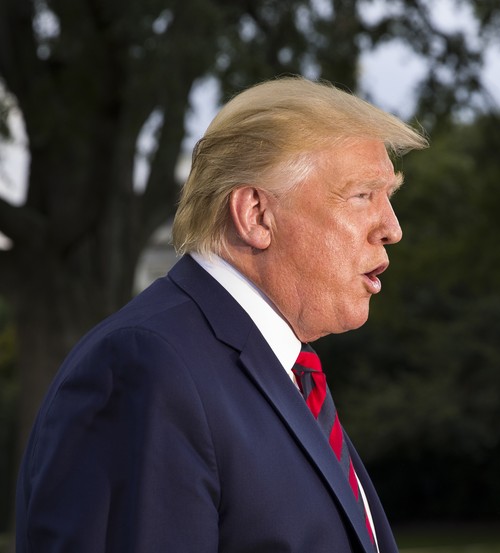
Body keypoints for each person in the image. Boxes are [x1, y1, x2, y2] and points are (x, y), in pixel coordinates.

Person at [15, 76, 428, 552]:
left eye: (389, 198)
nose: (392, 228)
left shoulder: (283, 369)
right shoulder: (147, 367)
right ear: (255, 214)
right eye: (363, 195)